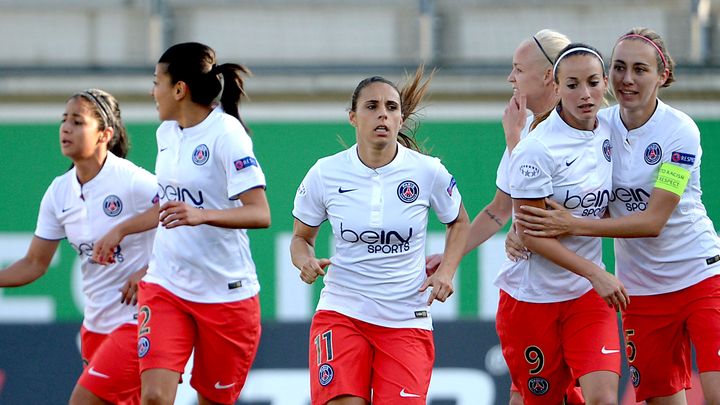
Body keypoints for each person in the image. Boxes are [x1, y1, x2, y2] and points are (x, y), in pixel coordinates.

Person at [512, 28, 720, 404]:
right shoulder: (597, 124)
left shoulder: (679, 131)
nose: (627, 79)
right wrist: (522, 221)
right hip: (639, 289)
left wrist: (572, 225)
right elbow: (556, 172)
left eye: (640, 69)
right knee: (661, 397)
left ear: (663, 76)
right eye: (620, 67)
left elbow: (653, 221)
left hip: (698, 275)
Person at [290, 67, 470, 405]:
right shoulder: (325, 173)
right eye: (371, 107)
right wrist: (305, 262)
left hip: (406, 318)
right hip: (342, 311)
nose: (382, 114)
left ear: (401, 119)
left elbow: (459, 222)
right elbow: (301, 238)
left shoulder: (428, 171)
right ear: (353, 118)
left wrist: (446, 270)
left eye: (391, 107)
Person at [425, 29, 581, 405]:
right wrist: (452, 257)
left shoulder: (587, 127)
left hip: (577, 291)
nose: (510, 79)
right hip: (528, 290)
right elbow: (498, 211)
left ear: (548, 76)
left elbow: (573, 206)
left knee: (594, 391)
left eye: (517, 69)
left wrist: (523, 223)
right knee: (528, 393)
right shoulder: (523, 126)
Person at [0, 89, 158, 404]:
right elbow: (34, 263)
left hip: (139, 321)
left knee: (83, 401)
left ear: (104, 134)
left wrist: (150, 270)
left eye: (77, 121)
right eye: (63, 120)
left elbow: (180, 217)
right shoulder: (59, 193)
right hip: (96, 325)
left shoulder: (131, 181)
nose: (66, 128)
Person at [138, 42, 270, 405]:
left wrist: (203, 215)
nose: (153, 92)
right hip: (167, 285)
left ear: (179, 89)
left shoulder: (227, 135)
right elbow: (169, 206)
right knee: (153, 397)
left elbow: (260, 213)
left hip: (226, 295)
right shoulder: (166, 133)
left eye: (157, 82)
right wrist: (121, 230)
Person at [496, 43, 629, 404]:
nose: (584, 94)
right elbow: (531, 235)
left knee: (604, 397)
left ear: (606, 83)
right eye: (572, 85)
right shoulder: (536, 149)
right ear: (557, 87)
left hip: (585, 298)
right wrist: (595, 272)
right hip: (532, 301)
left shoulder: (614, 128)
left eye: (592, 83)